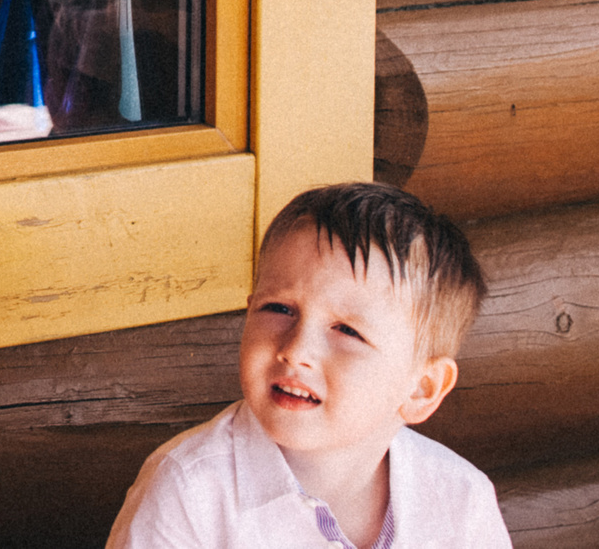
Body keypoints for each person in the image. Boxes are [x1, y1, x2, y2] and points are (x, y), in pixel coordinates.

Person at [107, 181, 510, 549]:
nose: (296, 349)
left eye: (347, 331)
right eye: (279, 308)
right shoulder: (188, 491)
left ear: (422, 388)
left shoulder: (461, 502)